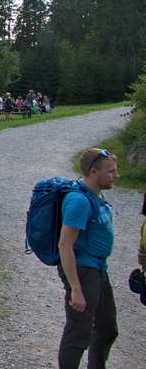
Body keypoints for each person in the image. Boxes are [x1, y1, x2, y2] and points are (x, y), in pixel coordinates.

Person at [56, 148, 118, 369]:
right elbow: (65, 245)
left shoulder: (94, 195)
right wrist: (76, 288)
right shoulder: (79, 201)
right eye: (111, 172)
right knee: (79, 332)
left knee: (107, 327)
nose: (116, 175)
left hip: (99, 269)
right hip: (84, 271)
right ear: (93, 171)